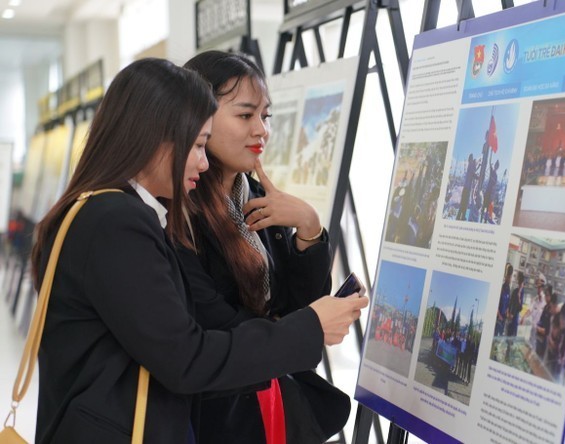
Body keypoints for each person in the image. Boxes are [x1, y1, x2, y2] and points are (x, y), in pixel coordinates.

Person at [30, 58, 367, 443]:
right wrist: (309, 326)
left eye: (265, 115)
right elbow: (186, 357)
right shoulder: (117, 220)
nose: (203, 162)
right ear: (155, 136)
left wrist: (308, 232)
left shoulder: (115, 211)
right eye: (197, 144)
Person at [179, 50, 350, 443]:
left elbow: (297, 307)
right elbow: (213, 328)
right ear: (197, 117)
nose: (261, 130)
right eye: (245, 115)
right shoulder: (180, 213)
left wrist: (308, 227)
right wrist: (295, 326)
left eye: (265, 116)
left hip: (269, 402)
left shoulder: (256, 198)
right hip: (215, 417)